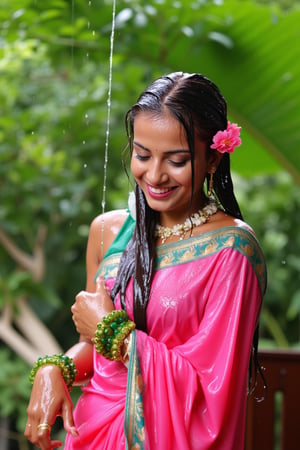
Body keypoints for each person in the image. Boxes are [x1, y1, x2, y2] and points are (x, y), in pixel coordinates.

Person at [25, 72, 267, 450]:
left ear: (213, 158)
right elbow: (96, 348)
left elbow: (212, 394)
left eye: (177, 160)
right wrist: (57, 367)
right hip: (92, 434)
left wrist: (113, 332)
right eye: (142, 154)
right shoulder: (108, 231)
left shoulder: (231, 252)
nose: (154, 175)